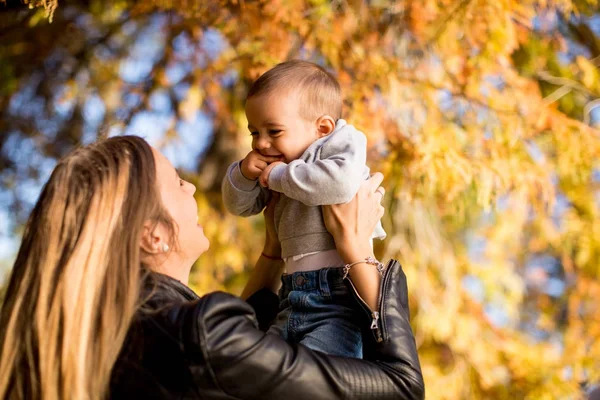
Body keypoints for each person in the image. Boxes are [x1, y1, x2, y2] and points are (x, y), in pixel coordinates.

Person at [0, 135, 424, 399]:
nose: (189, 186)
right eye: (174, 182)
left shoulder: (112, 336)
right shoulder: (199, 334)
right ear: (153, 235)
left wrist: (273, 252)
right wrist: (356, 250)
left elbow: (245, 354)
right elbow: (401, 388)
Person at [222, 60, 385, 358]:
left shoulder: (340, 144)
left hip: (337, 298)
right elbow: (240, 207)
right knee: (264, 370)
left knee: (318, 376)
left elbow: (341, 185)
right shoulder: (277, 162)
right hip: (291, 295)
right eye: (254, 132)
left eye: (273, 130)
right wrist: (243, 175)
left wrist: (280, 176)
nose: (261, 142)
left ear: (322, 127)